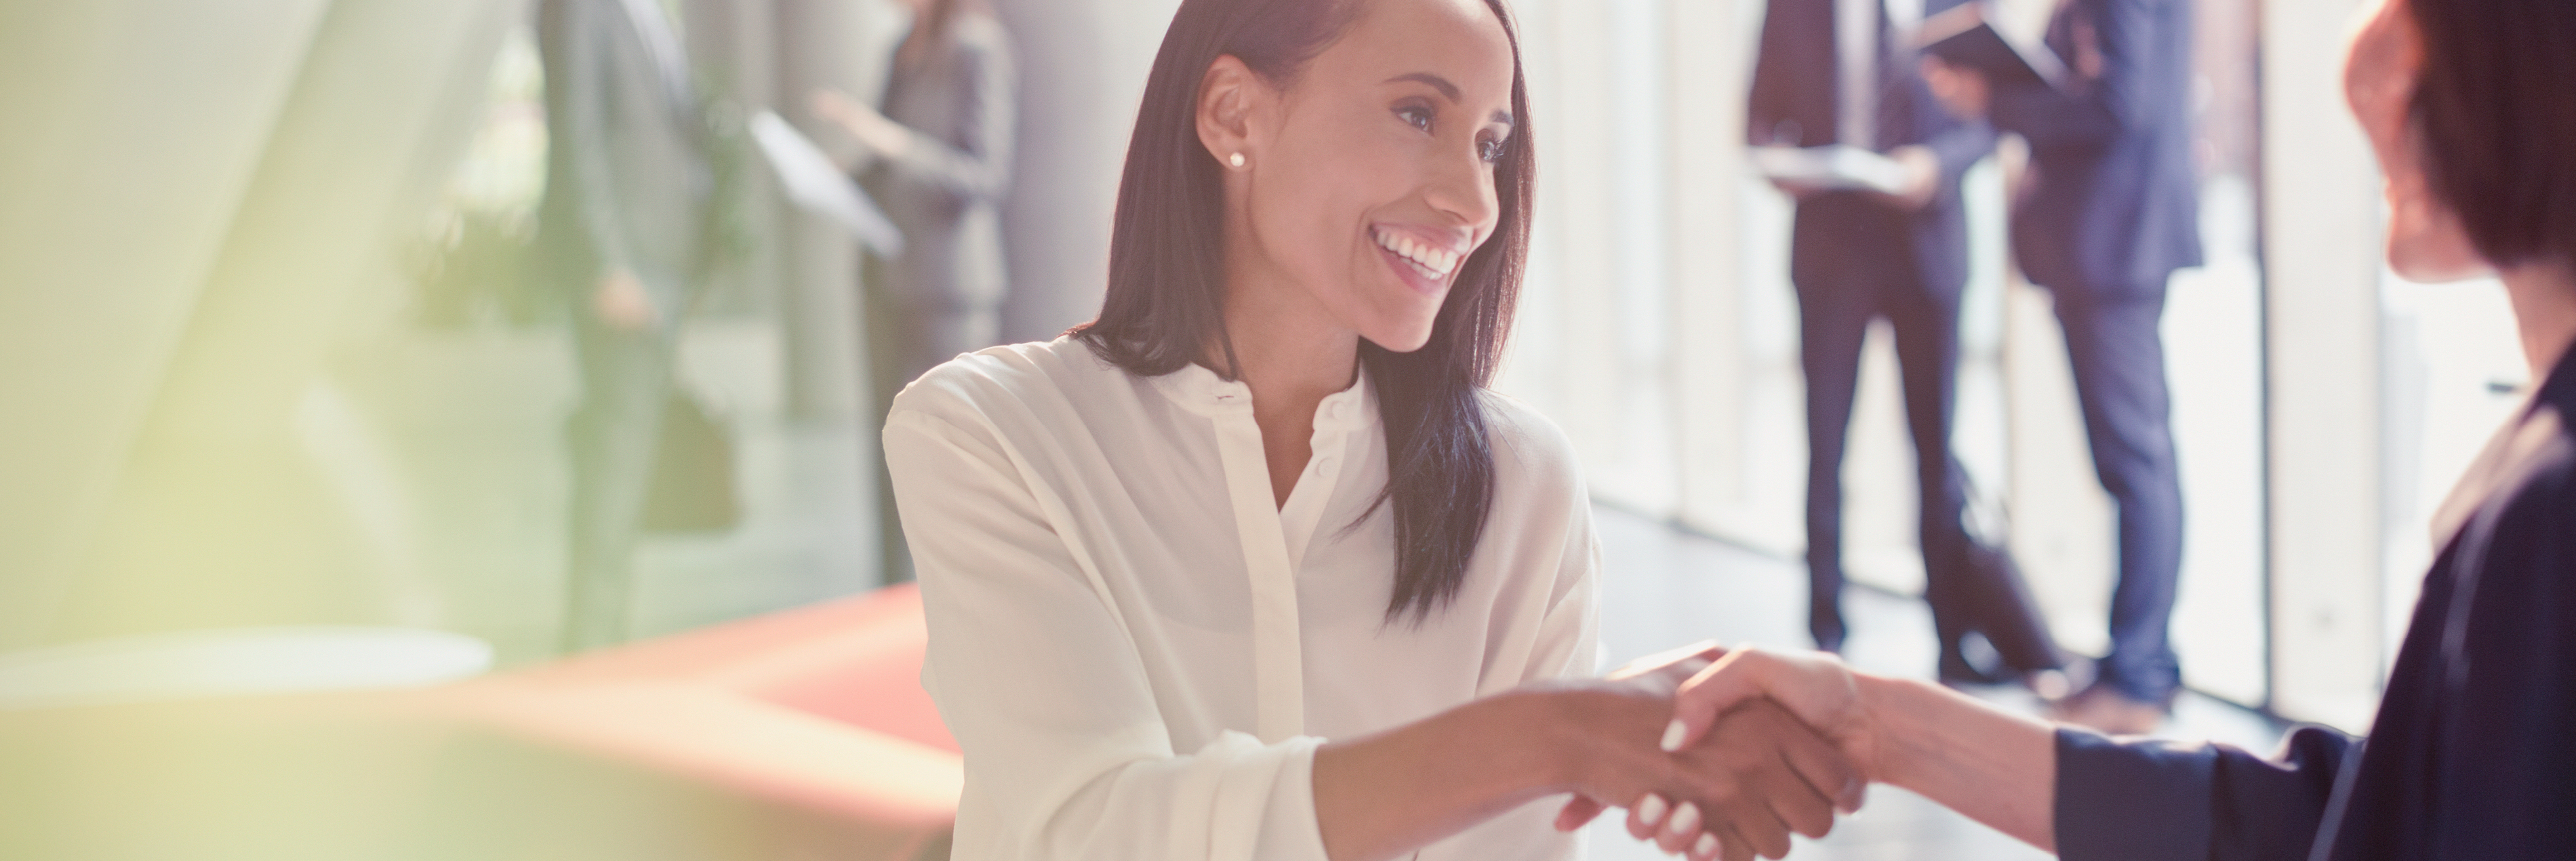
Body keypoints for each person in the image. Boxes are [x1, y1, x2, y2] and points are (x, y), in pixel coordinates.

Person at [885, 1, 1863, 860]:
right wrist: (1548, 736)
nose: (1474, 201)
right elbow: (1093, 830)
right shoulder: (990, 434)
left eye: (1489, 142)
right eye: (1416, 114)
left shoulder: (1524, 486)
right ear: (1233, 113)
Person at [1653, 0, 2576, 857]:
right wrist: (1883, 726)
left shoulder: (2550, 506)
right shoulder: (2534, 472)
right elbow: (2352, 809)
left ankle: (2140, 662)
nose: (2360, 65)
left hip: (2076, 243)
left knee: (2130, 461)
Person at [1746, 0, 2065, 685]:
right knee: (1824, 444)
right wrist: (1780, 163)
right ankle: (1824, 637)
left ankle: (1952, 641)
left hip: (1926, 247)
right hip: (1831, 244)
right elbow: (1757, 115)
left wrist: (1935, 165)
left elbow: (1990, 117)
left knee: (1933, 449)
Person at [1914, 0, 2201, 731]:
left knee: (2135, 461)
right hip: (2101, 245)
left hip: (2114, 244)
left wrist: (1993, 100)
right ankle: (2131, 664)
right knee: (2128, 461)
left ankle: (2138, 676)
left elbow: (2114, 108)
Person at [812, 0, 1016, 583]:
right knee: (889, 454)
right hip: (886, 277)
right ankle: (891, 597)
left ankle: (950, 603)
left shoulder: (979, 49)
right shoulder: (901, 49)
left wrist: (893, 143)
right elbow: (883, 161)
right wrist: (840, 174)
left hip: (948, 290)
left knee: (944, 459)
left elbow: (984, 176)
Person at [532, 0, 713, 652]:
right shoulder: (584, 8)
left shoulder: (652, 15)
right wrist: (608, 264)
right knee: (614, 462)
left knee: (630, 463)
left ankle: (606, 637)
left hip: (665, 266)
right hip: (626, 270)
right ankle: (589, 646)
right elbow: (575, 131)